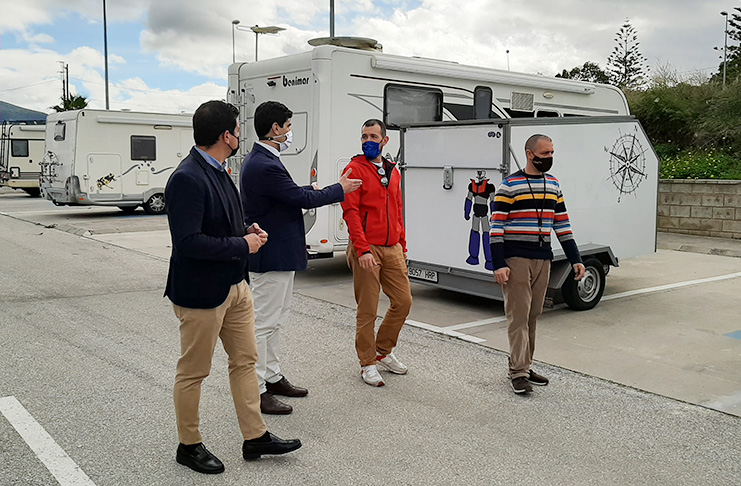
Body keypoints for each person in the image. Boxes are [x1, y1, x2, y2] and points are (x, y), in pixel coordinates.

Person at [165, 100, 300, 474]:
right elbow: (189, 243)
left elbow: (221, 223)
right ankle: (189, 445)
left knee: (245, 361)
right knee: (194, 372)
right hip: (202, 294)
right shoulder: (187, 178)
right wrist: (243, 244)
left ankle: (255, 437)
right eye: (238, 128)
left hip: (235, 286)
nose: (242, 133)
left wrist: (246, 230)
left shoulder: (220, 170)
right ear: (226, 135)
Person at [240, 101, 362, 414]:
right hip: (271, 255)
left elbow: (287, 194)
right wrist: (339, 189)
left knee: (275, 320)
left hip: (278, 254)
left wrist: (311, 188)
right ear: (275, 129)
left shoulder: (264, 160)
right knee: (263, 323)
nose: (290, 132)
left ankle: (272, 376)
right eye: (288, 126)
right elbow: (299, 198)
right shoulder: (264, 164)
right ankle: (257, 389)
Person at [489, 134, 586, 395]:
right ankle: (518, 371)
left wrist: (576, 259)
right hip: (517, 259)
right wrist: (499, 263)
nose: (549, 158)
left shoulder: (553, 184)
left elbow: (562, 224)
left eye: (552, 153)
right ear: (530, 154)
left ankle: (524, 364)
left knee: (533, 314)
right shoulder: (509, 186)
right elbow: (496, 227)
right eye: (545, 154)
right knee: (518, 316)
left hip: (543, 258)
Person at [341, 119, 413, 387]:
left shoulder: (393, 171)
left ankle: (382, 350)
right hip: (367, 248)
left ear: (385, 140)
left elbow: (398, 209)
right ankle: (367, 363)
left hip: (392, 247)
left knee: (403, 301)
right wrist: (362, 250)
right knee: (368, 309)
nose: (368, 141)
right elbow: (351, 212)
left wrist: (402, 245)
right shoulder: (354, 169)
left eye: (373, 136)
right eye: (364, 136)